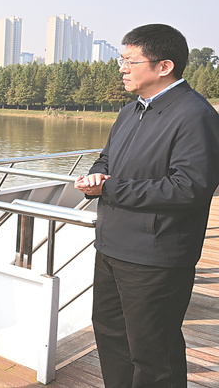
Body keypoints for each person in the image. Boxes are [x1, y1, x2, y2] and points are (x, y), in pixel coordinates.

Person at [74, 24, 219, 387]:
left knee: (154, 354)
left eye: (130, 61)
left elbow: (190, 188)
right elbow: (106, 160)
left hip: (156, 256)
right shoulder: (129, 112)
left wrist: (110, 188)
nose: (122, 68)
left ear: (164, 66)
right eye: (121, 60)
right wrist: (95, 178)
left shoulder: (195, 115)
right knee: (111, 337)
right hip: (111, 247)